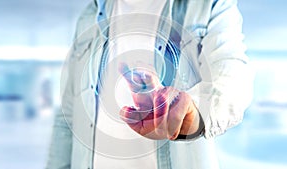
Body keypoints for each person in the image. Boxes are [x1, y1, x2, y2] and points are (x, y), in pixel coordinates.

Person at [46, 0, 253, 169]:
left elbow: (232, 74)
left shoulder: (209, 5)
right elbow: (68, 118)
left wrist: (193, 114)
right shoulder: (90, 14)